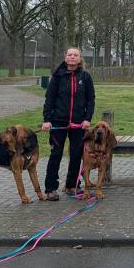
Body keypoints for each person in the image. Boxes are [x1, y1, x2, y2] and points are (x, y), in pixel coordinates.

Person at [42, 47, 96, 201]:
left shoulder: (85, 77)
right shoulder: (57, 77)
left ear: (80, 59)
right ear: (65, 58)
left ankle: (72, 185)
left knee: (76, 155)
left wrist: (87, 119)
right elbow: (49, 99)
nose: (72, 57)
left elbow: (91, 100)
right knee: (56, 154)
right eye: (69, 55)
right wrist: (47, 120)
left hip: (79, 124)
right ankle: (51, 188)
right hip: (58, 122)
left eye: (75, 55)